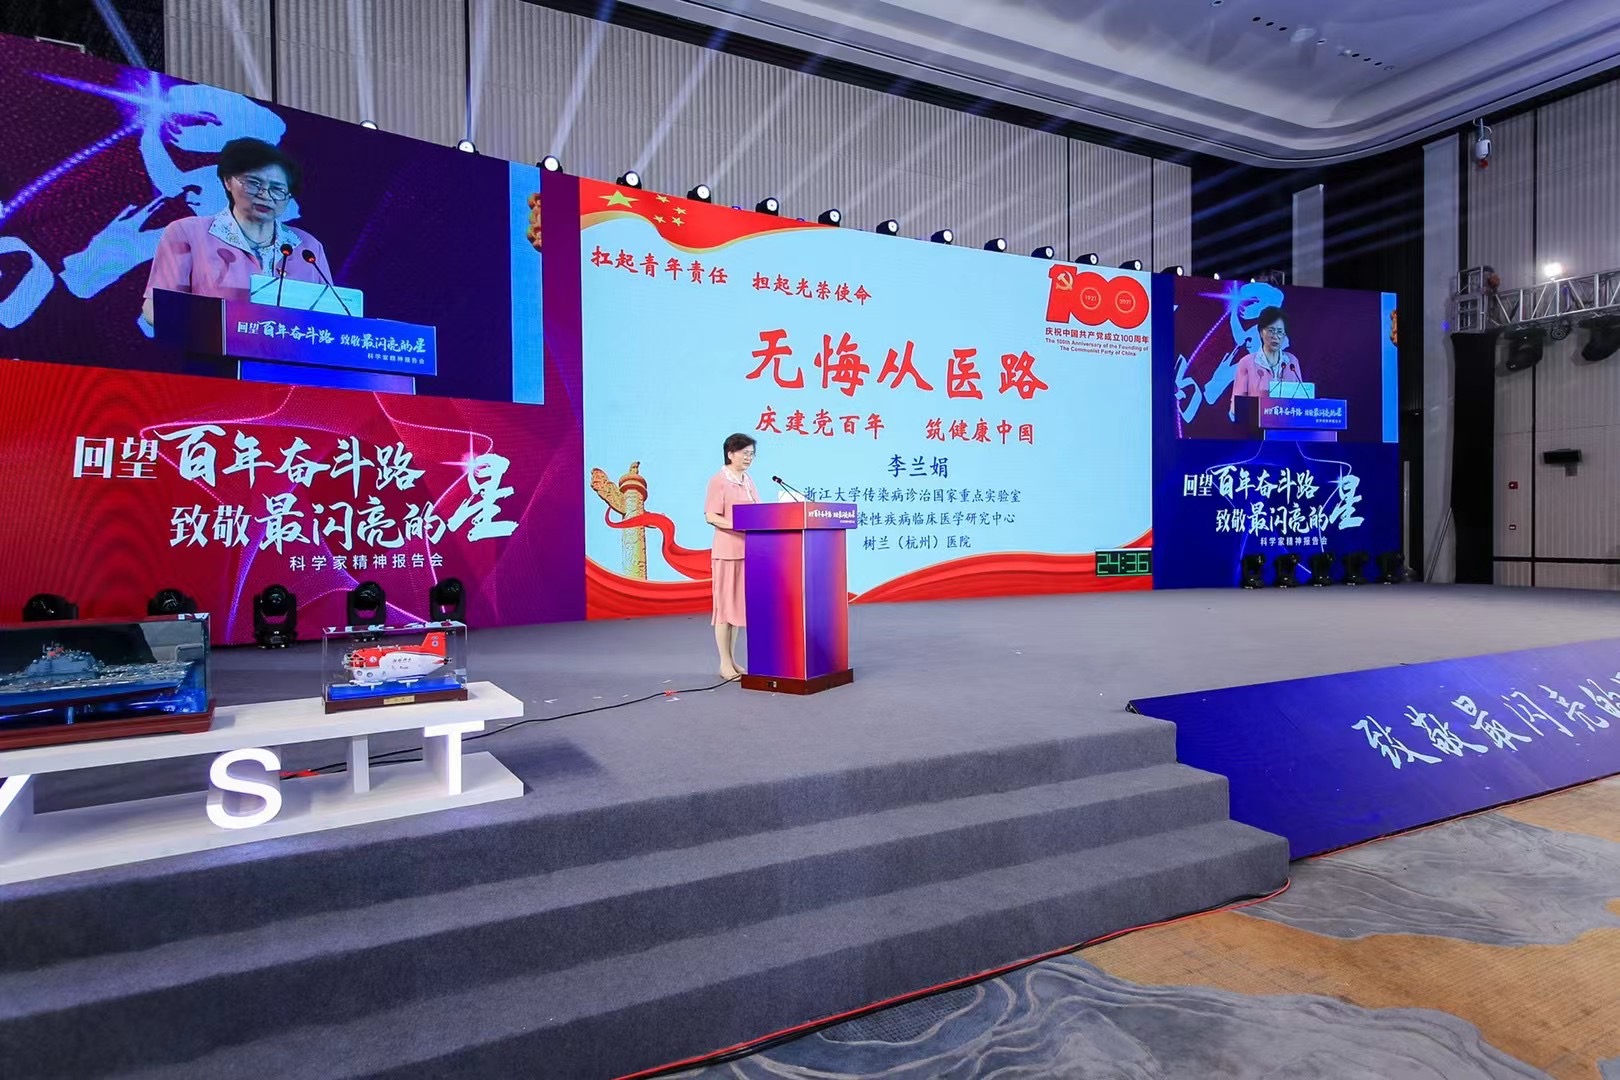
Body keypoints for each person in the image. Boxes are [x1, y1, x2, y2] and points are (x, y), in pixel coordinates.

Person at [141, 137, 333, 326]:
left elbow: (332, 317)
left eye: (277, 189)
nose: (265, 195)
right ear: (228, 181)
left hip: (290, 346)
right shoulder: (187, 233)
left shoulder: (308, 247)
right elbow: (155, 308)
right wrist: (211, 327)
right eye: (254, 183)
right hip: (212, 345)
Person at [704, 433, 759, 681]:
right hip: (727, 552)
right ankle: (724, 663)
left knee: (737, 609)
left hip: (747, 551)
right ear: (730, 454)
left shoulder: (748, 481)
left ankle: (733, 660)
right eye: (744, 453)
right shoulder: (719, 481)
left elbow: (758, 512)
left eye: (751, 454)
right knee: (725, 609)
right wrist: (738, 525)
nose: (749, 458)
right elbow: (711, 516)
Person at [1229, 305, 1304, 418]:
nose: (1275, 336)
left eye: (1280, 332)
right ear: (1260, 332)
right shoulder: (1246, 363)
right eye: (1271, 331)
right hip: (1254, 425)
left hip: (1286, 425)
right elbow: (1236, 406)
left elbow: (1302, 402)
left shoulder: (1292, 362)